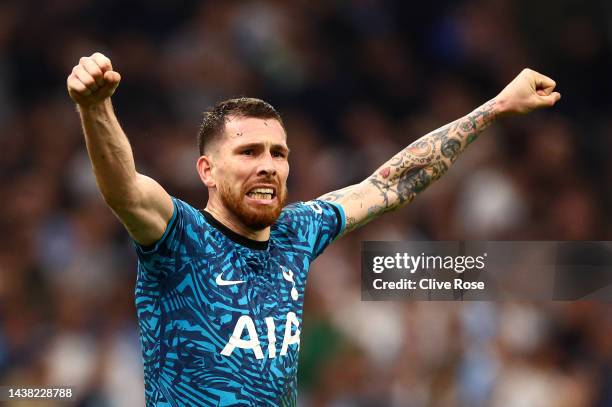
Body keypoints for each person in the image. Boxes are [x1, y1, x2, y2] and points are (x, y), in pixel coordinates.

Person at [67, 52, 560, 406]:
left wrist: (493, 108)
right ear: (206, 171)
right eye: (248, 152)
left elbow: (395, 183)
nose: (268, 166)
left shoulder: (297, 231)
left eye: (278, 154)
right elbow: (125, 190)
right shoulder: (179, 236)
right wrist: (95, 107)